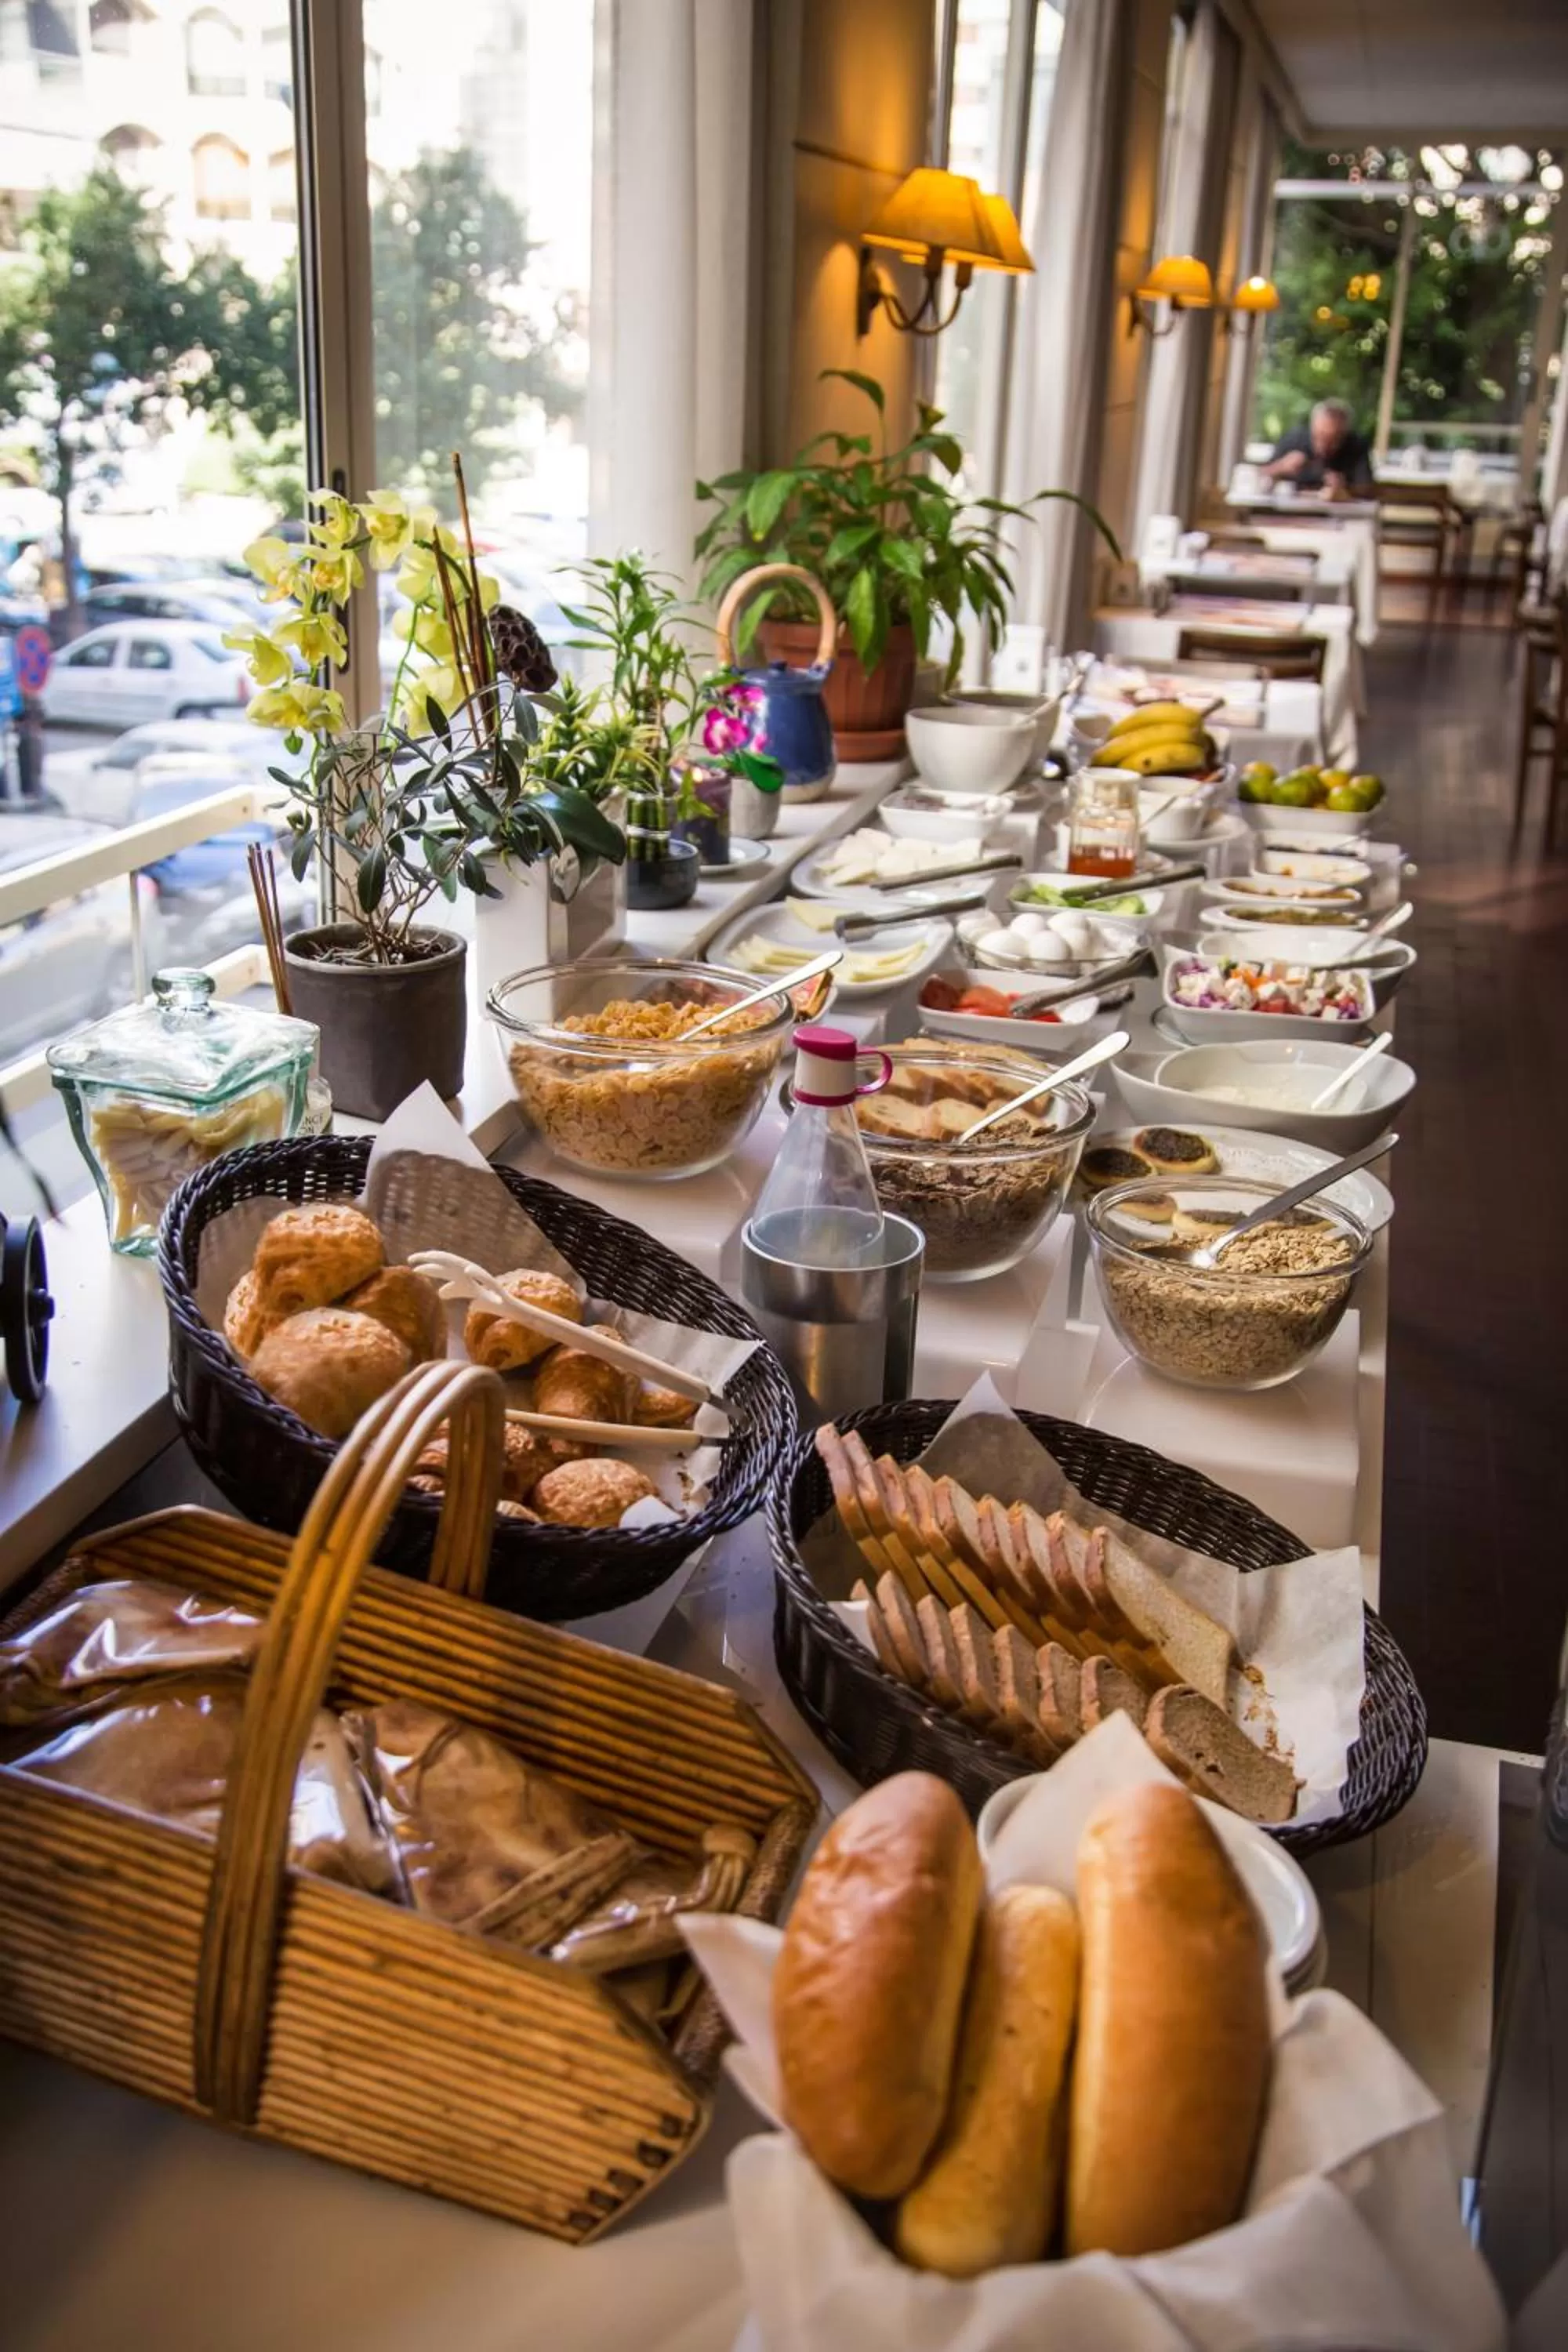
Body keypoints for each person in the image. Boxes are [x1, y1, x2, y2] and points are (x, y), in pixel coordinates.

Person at [1261, 398, 1375, 496]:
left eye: (1334, 439)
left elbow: (1366, 488)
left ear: (1345, 433)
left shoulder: (1356, 445)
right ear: (1312, 427)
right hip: (1290, 509)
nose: (1324, 445)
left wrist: (1345, 489)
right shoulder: (1294, 439)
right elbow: (1261, 475)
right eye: (1319, 436)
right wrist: (1281, 466)